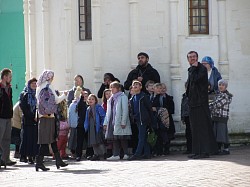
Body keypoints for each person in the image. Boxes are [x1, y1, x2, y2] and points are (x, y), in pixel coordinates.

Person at [186, 51, 218, 159]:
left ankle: (204, 151)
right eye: (190, 57)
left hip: (200, 103)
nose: (192, 59)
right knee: (194, 128)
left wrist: (194, 68)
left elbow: (195, 80)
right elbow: (190, 85)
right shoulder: (191, 69)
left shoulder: (201, 69)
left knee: (202, 128)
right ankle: (196, 151)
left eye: (194, 57)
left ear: (197, 58)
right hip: (193, 103)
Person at [35, 70, 68, 171]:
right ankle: (39, 162)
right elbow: (56, 100)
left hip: (43, 116)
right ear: (49, 77)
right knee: (46, 141)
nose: (53, 78)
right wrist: (64, 95)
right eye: (52, 76)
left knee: (52, 140)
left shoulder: (39, 87)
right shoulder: (48, 87)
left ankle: (58, 160)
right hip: (48, 117)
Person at [103, 82, 132, 160]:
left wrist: (123, 121)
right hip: (112, 120)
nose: (112, 89)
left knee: (123, 137)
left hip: (119, 119)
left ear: (118, 88)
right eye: (111, 87)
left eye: (114, 87)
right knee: (114, 138)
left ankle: (126, 153)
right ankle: (116, 154)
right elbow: (108, 112)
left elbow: (125, 110)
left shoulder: (123, 97)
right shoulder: (111, 98)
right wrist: (105, 122)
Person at [128, 81, 153, 160]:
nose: (135, 86)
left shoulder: (143, 96)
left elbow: (149, 108)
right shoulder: (132, 98)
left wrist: (150, 119)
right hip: (137, 119)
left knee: (141, 137)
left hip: (143, 119)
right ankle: (147, 153)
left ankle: (137, 154)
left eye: (137, 85)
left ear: (140, 87)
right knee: (143, 136)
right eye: (133, 85)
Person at [209, 79, 233, 155]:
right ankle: (218, 149)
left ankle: (226, 149)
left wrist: (206, 106)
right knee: (217, 133)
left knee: (222, 134)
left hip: (222, 117)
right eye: (220, 85)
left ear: (226, 86)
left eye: (223, 85)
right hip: (216, 116)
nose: (221, 86)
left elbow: (216, 105)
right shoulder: (218, 94)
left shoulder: (225, 96)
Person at [19, 78, 39, 164]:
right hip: (27, 120)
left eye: (35, 83)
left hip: (35, 120)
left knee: (34, 139)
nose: (34, 85)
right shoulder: (25, 94)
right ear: (29, 84)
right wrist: (32, 116)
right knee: (26, 138)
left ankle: (32, 156)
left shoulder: (37, 95)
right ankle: (24, 156)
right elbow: (23, 107)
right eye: (32, 83)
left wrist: (36, 116)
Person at [0, 68, 16, 169]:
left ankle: (6, 159)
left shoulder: (9, 88)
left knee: (7, 139)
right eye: (9, 76)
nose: (11, 78)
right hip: (0, 117)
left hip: (8, 116)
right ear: (4, 77)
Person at [84, 94, 106, 161]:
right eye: (89, 99)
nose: (91, 100)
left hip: (97, 126)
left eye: (92, 99)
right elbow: (86, 119)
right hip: (91, 127)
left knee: (99, 141)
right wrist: (85, 127)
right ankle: (96, 154)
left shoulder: (98, 107)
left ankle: (104, 153)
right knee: (93, 141)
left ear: (95, 100)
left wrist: (102, 124)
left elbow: (103, 116)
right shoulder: (88, 109)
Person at [160, 83, 175, 155]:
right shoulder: (157, 98)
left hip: (168, 118)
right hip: (160, 119)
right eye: (161, 88)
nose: (162, 90)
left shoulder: (169, 98)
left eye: (164, 88)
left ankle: (167, 149)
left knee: (168, 134)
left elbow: (172, 109)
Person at [68, 86, 82, 159]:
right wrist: (69, 124)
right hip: (73, 124)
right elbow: (69, 114)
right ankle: (73, 152)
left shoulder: (80, 103)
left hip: (78, 124)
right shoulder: (72, 104)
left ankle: (77, 152)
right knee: (73, 139)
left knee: (77, 139)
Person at [181, 82, 192, 154]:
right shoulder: (184, 96)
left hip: (192, 116)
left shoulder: (193, 95)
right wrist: (182, 117)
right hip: (186, 116)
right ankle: (189, 148)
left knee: (192, 133)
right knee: (188, 134)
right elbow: (182, 107)